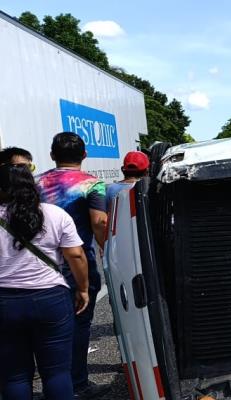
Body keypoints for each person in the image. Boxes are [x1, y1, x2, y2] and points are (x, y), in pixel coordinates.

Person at [0, 163, 90, 400]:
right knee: (57, 373)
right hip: (51, 298)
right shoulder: (54, 214)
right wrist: (82, 289)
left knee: (14, 375)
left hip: (4, 303)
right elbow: (76, 255)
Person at [36, 133, 109, 399]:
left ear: (53, 155)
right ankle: (77, 383)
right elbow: (100, 222)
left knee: (46, 328)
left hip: (41, 264)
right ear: (85, 155)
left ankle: (52, 383)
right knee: (79, 325)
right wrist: (107, 248)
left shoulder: (36, 183)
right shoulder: (92, 185)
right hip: (79, 262)